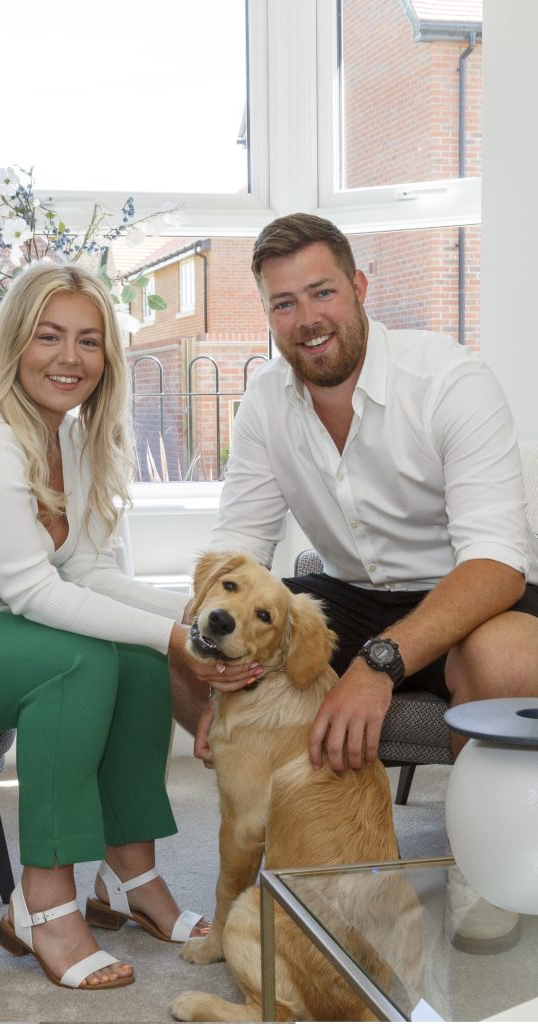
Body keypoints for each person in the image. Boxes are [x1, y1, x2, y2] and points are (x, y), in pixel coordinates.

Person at [0, 262, 258, 992]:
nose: (69, 358)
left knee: (137, 660)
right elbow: (31, 590)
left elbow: (87, 572)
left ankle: (130, 875)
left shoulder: (71, 440)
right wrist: (179, 644)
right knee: (77, 660)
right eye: (49, 336)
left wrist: (185, 626)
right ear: (13, 341)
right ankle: (41, 903)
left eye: (88, 340)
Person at [200, 211, 538, 774]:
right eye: (284, 304)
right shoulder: (263, 402)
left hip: (471, 594)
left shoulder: (449, 381)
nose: (307, 320)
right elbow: (238, 545)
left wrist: (379, 663)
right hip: (352, 594)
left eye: (322, 292)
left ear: (358, 289)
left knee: (504, 657)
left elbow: (497, 563)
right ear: (268, 315)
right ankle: (295, 837)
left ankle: (486, 850)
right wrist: (209, 663)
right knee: (188, 631)